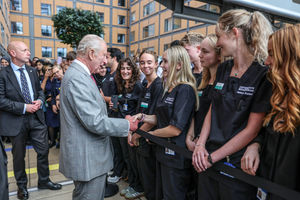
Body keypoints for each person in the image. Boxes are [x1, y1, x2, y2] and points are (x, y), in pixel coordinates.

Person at [192, 9, 273, 200]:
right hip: (207, 159)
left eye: (219, 36)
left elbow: (252, 130)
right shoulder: (224, 68)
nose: (218, 43)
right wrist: (201, 145)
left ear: (234, 33)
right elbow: (213, 109)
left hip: (233, 165)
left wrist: (213, 157)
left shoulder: (262, 74)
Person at [59, 34, 136, 200]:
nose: (105, 61)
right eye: (103, 55)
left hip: (91, 158)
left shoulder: (81, 75)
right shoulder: (77, 78)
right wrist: (126, 125)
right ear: (92, 53)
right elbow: (94, 122)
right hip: (88, 160)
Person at [241, 24, 300, 200]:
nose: (267, 61)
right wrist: (255, 145)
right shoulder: (280, 92)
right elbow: (268, 131)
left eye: (272, 54)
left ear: (290, 56)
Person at [132, 45, 199, 200]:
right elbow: (161, 118)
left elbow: (175, 128)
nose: (162, 65)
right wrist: (143, 117)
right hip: (162, 152)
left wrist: (151, 134)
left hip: (175, 157)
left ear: (179, 64)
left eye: (165, 62)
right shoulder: (168, 88)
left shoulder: (185, 90)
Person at [0, 41, 62, 200]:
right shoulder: (2, 74)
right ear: (13, 53)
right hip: (16, 121)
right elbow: (1, 100)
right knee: (19, 156)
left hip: (36, 118)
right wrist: (24, 107)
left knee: (43, 150)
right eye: (25, 50)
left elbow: (39, 92)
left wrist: (40, 101)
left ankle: (44, 180)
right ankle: (22, 187)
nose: (29, 52)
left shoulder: (32, 71)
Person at [185, 34, 221, 200]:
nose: (200, 56)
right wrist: (190, 136)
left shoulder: (224, 83)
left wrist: (201, 141)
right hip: (196, 144)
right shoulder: (203, 81)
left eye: (205, 52)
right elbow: (197, 112)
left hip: (209, 147)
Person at [129, 50, 163, 200]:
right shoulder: (145, 84)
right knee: (143, 174)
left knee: (150, 177)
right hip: (139, 135)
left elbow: (154, 117)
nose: (145, 65)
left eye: (149, 62)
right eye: (142, 62)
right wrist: (132, 132)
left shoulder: (159, 85)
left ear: (156, 64)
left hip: (147, 138)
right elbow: (139, 112)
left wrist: (137, 135)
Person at [112, 57, 144, 199]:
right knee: (125, 157)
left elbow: (138, 110)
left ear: (133, 70)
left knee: (132, 158)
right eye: (122, 68)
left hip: (131, 128)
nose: (125, 71)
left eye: (128, 68)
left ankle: (136, 186)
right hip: (120, 126)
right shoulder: (121, 85)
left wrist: (132, 129)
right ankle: (131, 183)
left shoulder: (137, 86)